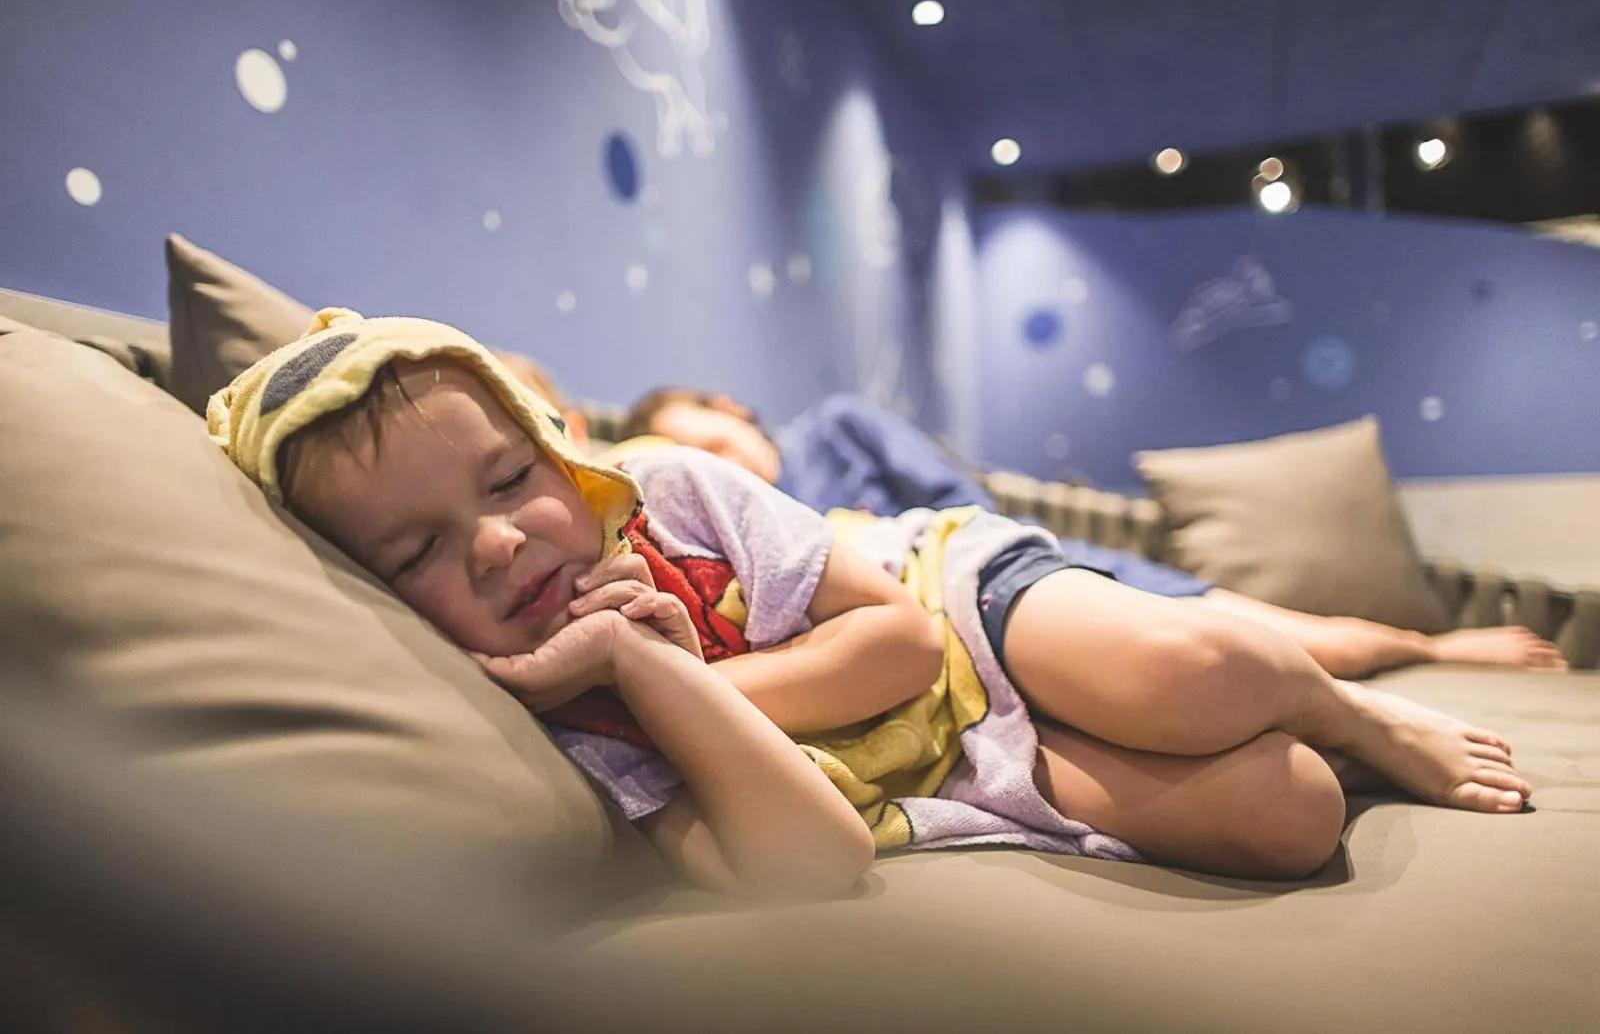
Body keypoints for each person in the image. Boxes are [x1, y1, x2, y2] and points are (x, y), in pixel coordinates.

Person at [211, 310, 1533, 894]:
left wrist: (706, 685)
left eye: (510, 476)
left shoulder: (674, 490)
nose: (500, 542)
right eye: (418, 554)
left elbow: (897, 642)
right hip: (959, 768)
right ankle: (1315, 731)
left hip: (951, 596)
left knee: (1192, 670)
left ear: (560, 449)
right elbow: (816, 861)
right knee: (1289, 815)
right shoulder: (569, 724)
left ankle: (1347, 695)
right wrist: (633, 663)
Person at [623, 387, 1568, 679]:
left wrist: (891, 532)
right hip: (947, 640)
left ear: (731, 408)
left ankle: (1428, 644)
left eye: (712, 442)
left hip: (1012, 568)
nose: (726, 471)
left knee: (1283, 633)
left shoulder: (833, 427)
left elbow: (960, 494)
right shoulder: (732, 530)